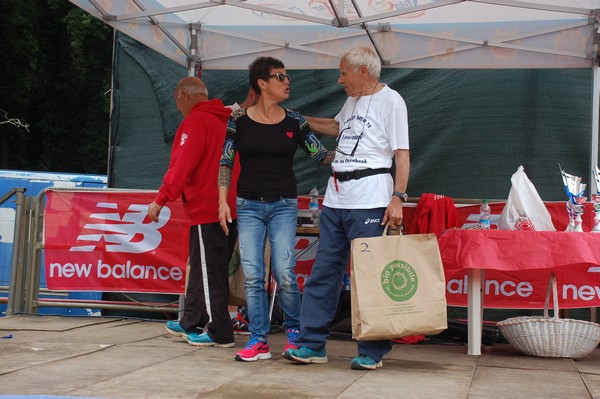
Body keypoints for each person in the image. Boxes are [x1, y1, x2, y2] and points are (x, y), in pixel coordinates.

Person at [284, 46, 410, 370]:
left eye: (343, 74)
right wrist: (297, 119)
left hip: (371, 198)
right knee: (324, 271)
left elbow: (402, 154)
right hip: (336, 198)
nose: (339, 80)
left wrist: (398, 196)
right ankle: (311, 344)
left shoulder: (391, 101)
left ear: (363, 72)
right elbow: (338, 128)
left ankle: (373, 349)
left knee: (369, 275)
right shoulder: (352, 100)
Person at [218, 56, 334, 362]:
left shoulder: (295, 121)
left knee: (284, 272)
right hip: (248, 206)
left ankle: (295, 334)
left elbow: (320, 156)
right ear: (262, 83)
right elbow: (226, 162)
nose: (287, 81)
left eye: (287, 76)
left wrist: (356, 152)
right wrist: (222, 201)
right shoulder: (238, 120)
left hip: (284, 204)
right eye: (280, 76)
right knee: (254, 276)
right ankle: (259, 339)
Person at [149, 76, 239, 348]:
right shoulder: (226, 120)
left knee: (209, 270)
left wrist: (161, 199)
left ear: (185, 96)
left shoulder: (196, 121)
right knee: (205, 267)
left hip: (208, 206)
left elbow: (182, 165)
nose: (178, 107)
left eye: (177, 101)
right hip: (229, 205)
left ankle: (218, 331)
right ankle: (192, 319)